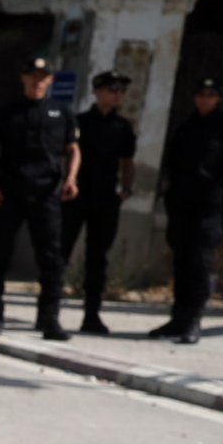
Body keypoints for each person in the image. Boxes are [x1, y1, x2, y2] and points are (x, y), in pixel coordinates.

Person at [0, 56, 80, 340]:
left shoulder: (62, 112)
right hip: (10, 193)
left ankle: (49, 320)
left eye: (44, 77)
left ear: (51, 81)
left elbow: (73, 149)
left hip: (46, 194)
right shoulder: (7, 112)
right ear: (23, 79)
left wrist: (70, 179)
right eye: (33, 76)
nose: (38, 81)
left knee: (52, 259)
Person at [154, 78, 223, 345]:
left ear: (218, 98)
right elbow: (172, 164)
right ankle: (178, 318)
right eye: (200, 95)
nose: (204, 100)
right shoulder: (187, 126)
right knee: (181, 261)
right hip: (181, 205)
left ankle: (193, 321)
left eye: (210, 95)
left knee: (200, 263)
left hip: (209, 207)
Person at [65, 71, 137, 336]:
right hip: (75, 197)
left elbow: (128, 161)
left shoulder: (123, 128)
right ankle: (47, 310)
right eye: (112, 89)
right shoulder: (79, 122)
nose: (117, 95)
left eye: (121, 90)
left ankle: (91, 314)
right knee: (60, 251)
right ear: (98, 92)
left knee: (98, 258)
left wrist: (127, 188)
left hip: (106, 199)